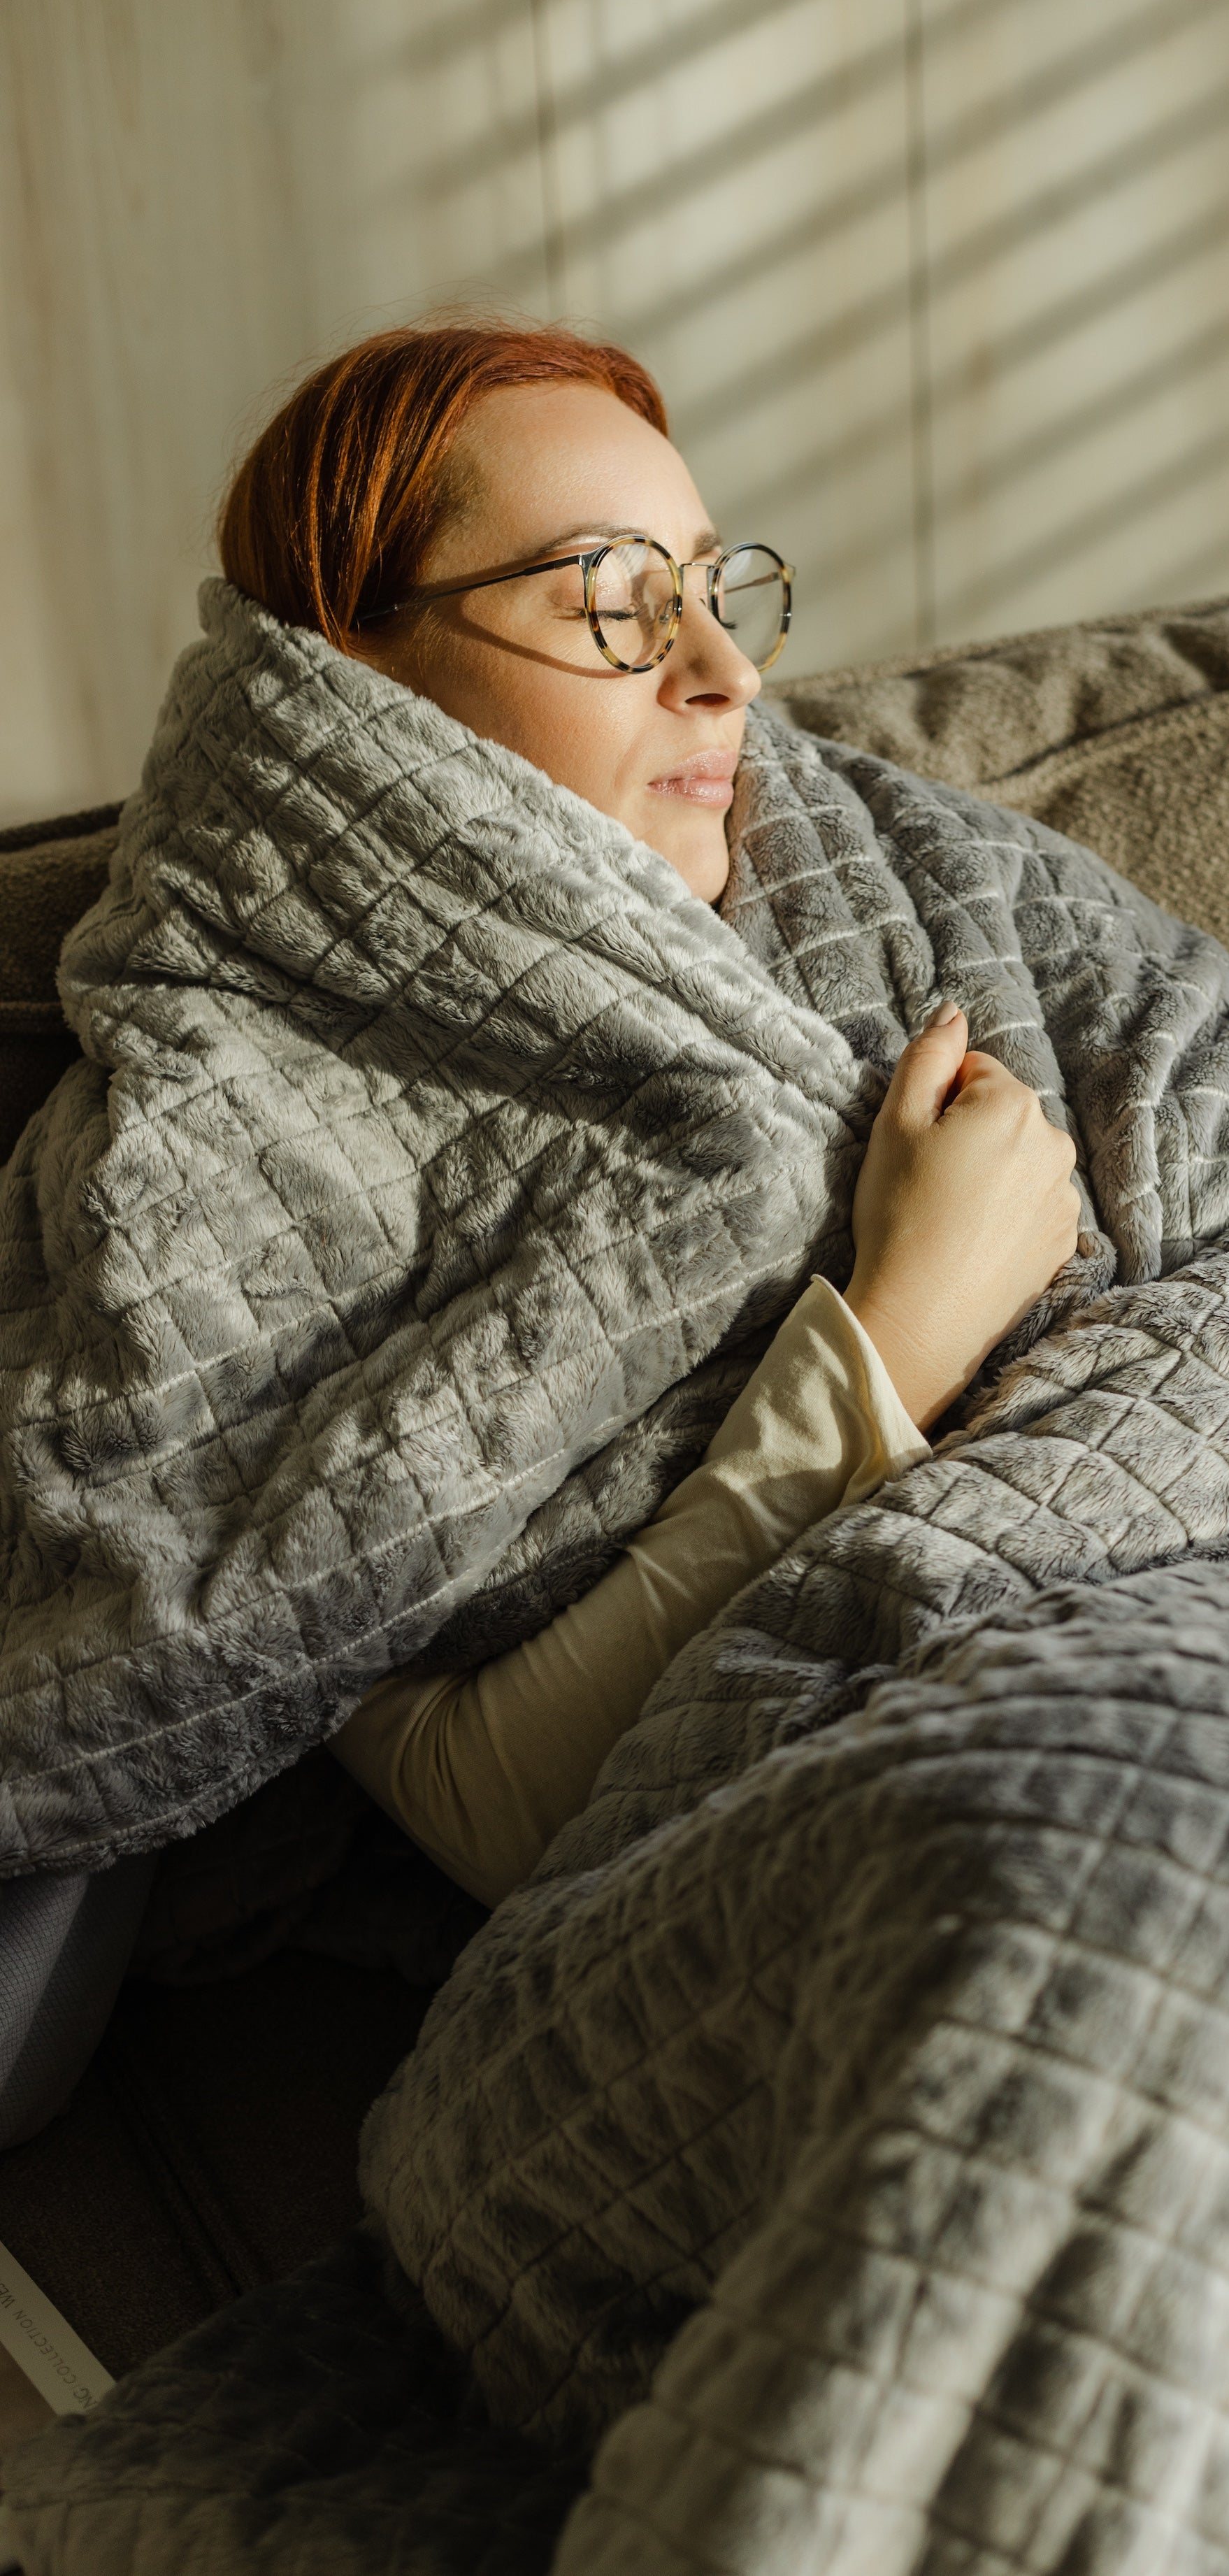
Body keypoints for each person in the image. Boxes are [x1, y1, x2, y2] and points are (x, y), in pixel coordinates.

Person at [213, 322, 1081, 1907]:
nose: (728, 673)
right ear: (351, 688)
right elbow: (479, 1807)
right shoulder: (238, 1161)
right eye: (615, 600)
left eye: (707, 586)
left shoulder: (891, 876)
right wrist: (906, 1326)